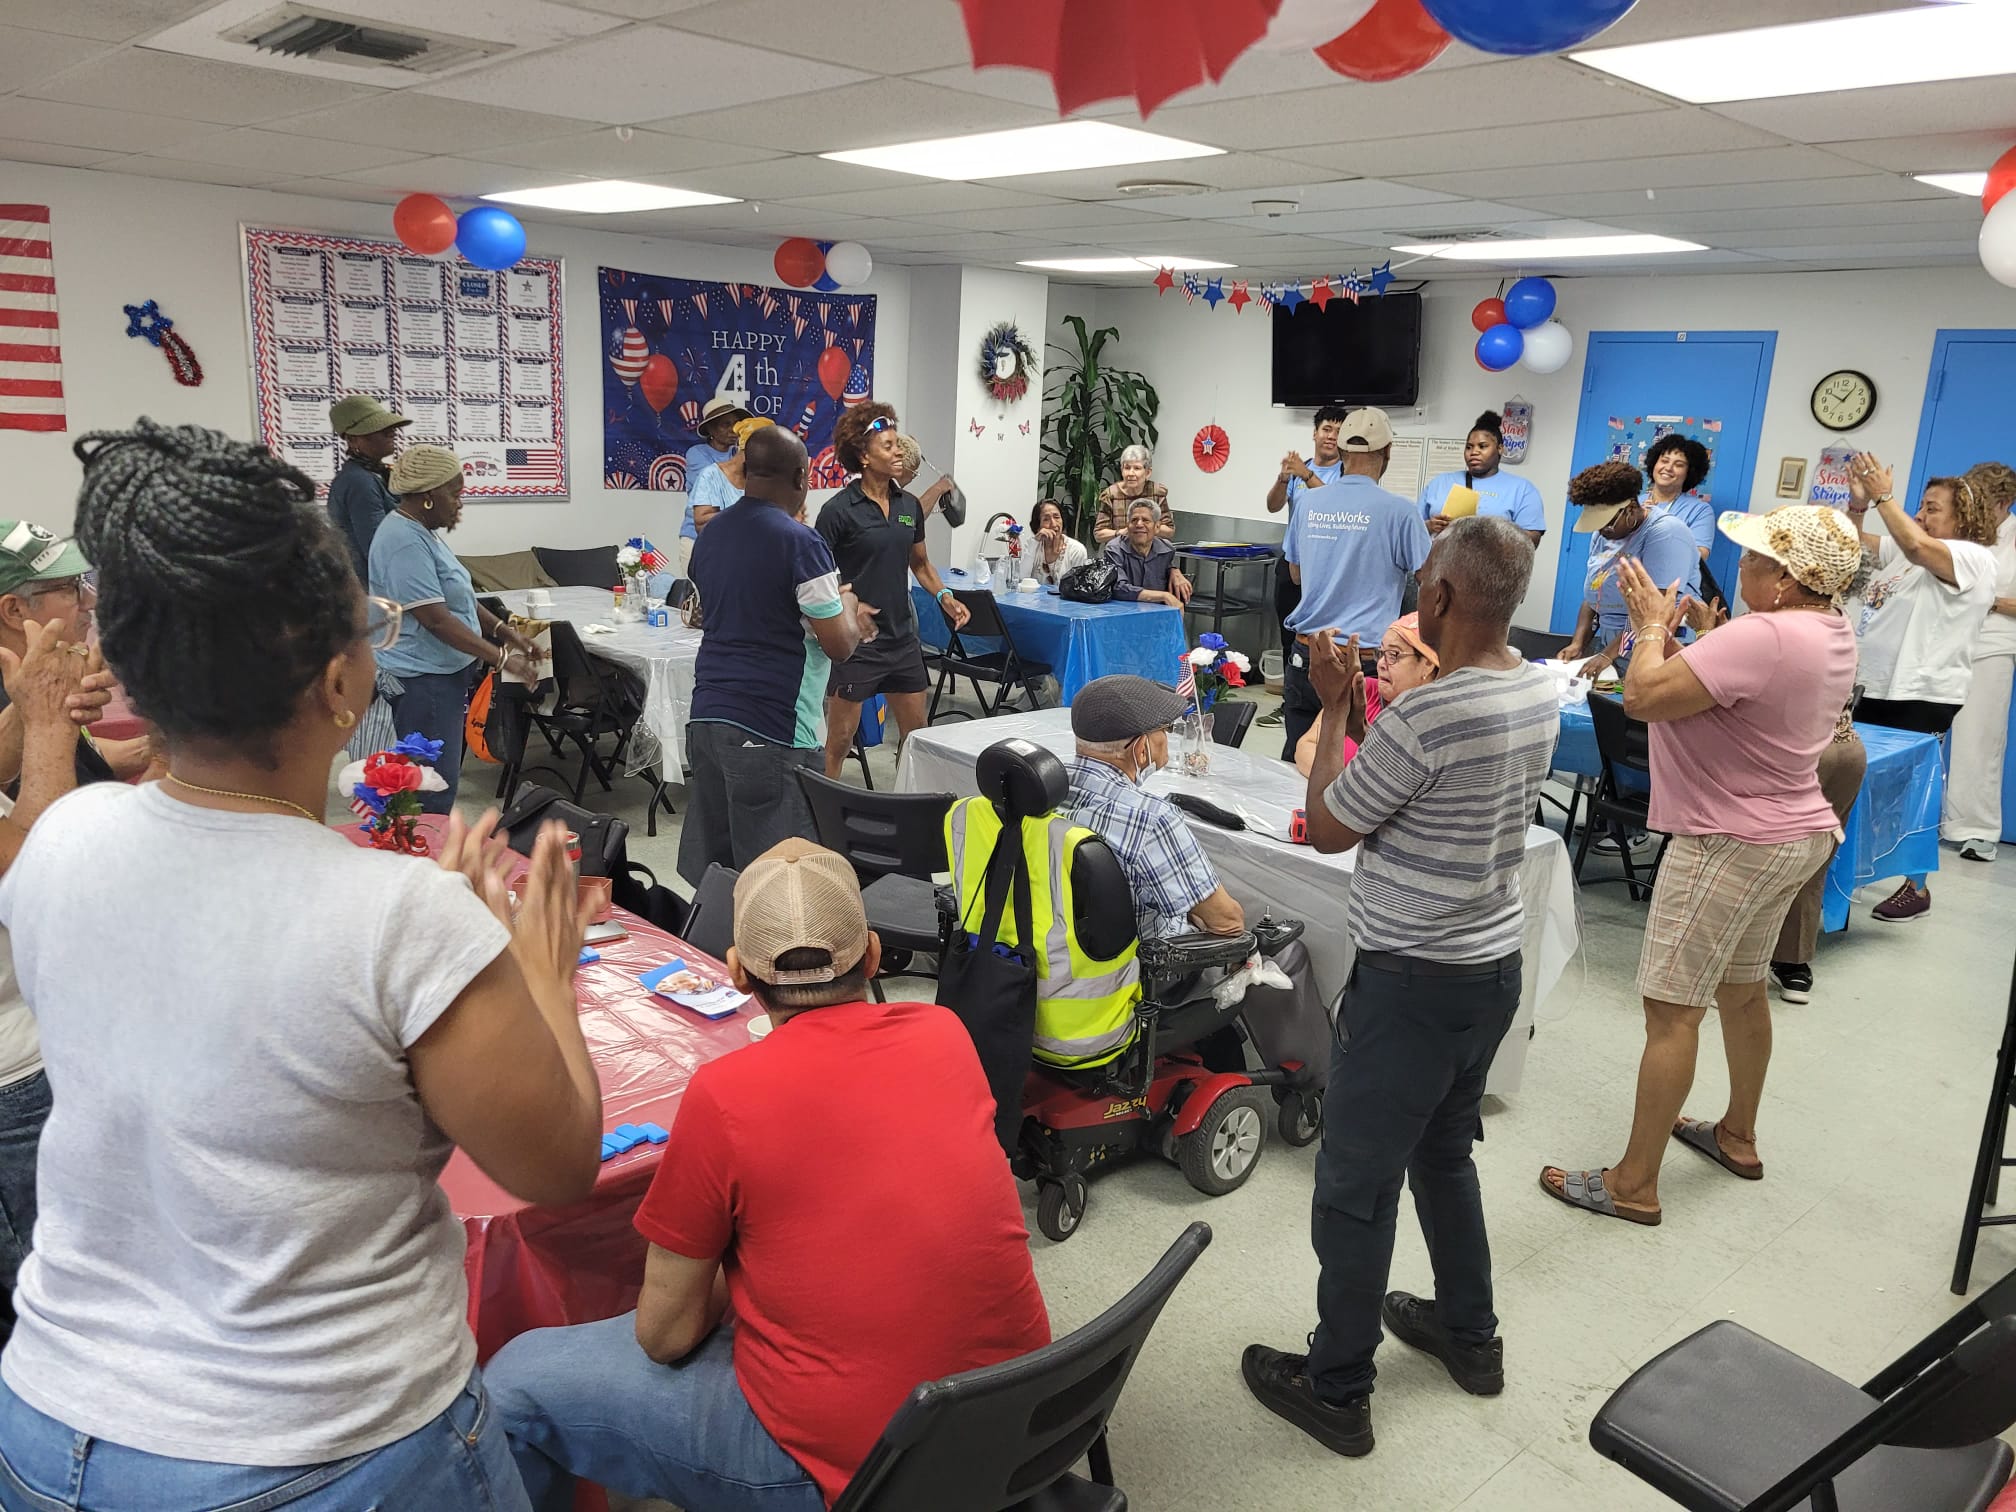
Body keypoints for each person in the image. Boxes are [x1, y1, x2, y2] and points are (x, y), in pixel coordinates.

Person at [0, 418, 603, 1510]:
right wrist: (538, 971)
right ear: (339, 686)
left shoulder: (61, 843)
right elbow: (557, 1170)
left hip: (51, 1434)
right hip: (318, 1450)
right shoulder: (398, 919)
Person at [487, 838, 1051, 1512]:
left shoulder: (726, 1096)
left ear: (736, 973)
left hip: (864, 1479)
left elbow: (663, 1338)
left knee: (514, 1380)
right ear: (873, 956)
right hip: (1017, 1422)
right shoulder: (945, 1034)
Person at [1242, 516, 1555, 1458]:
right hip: (1490, 970)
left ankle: (1336, 1385)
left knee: (1354, 1187)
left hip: (1411, 981)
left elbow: (1331, 827)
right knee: (1445, 1155)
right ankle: (1471, 1337)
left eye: (1424, 579)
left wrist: (1336, 705)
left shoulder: (1426, 715)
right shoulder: (1534, 688)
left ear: (1443, 599)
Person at [1541, 505, 1862, 1226]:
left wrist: (1651, 627)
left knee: (1671, 1012)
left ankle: (1632, 1183)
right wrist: (1707, 641)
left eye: (1754, 559)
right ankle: (1737, 1134)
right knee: (1743, 990)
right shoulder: (1830, 630)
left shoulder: (1766, 633)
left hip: (1728, 841)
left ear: (1786, 579)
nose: (1738, 565)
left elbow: (1646, 698)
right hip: (1792, 834)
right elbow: (1751, 694)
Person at [680, 427, 878, 886]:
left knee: (722, 871)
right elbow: (840, 645)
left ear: (746, 473)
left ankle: (714, 954)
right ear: (801, 477)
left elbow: (726, 608)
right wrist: (846, 606)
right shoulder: (801, 544)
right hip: (773, 728)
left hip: (708, 719)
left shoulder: (711, 535)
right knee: (780, 882)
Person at [0, 616, 108, 1350]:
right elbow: (40, 874)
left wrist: (34, 709)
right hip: (13, 1081)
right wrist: (44, 729)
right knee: (57, 1296)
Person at [1840, 454, 2000, 923]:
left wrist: (1885, 496)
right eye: (1921, 506)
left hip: (1923, 693)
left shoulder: (1974, 557)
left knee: (1909, 792)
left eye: (1932, 508)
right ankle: (1850, 871)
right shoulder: (1909, 554)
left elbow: (1913, 544)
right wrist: (1858, 503)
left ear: (1962, 518)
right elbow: (1857, 548)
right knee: (1859, 784)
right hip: (1877, 686)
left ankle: (1918, 887)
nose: (1920, 515)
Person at [370, 445, 541, 814]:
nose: (459, 503)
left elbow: (458, 597)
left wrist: (505, 631)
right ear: (429, 496)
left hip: (440, 677)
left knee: (435, 781)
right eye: (455, 493)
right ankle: (424, 863)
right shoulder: (402, 540)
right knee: (430, 791)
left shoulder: (421, 532)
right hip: (423, 681)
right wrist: (501, 658)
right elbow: (435, 618)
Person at [816, 402, 968, 779]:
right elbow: (815, 574)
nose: (899, 452)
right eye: (888, 446)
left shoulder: (909, 507)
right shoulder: (838, 511)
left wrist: (944, 596)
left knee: (917, 738)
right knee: (839, 742)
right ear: (864, 457)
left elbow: (919, 564)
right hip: (858, 645)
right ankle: (821, 813)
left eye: (897, 445)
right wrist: (845, 606)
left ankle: (912, 805)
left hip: (902, 640)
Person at [1278, 407, 1432, 762]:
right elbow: (1428, 581)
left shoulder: (1307, 503)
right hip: (1363, 666)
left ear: (1343, 452)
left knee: (1296, 760)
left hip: (1308, 654)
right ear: (1388, 452)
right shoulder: (1401, 512)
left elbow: (1296, 575)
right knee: (1356, 771)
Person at [1064, 674, 1243, 942]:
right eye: (1166, 730)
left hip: (1049, 951)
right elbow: (1228, 923)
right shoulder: (1150, 820)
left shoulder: (1037, 789)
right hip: (1141, 966)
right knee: (1290, 953)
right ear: (1141, 751)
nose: (1167, 738)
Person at [0, 523, 148, 789]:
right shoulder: (15, 696)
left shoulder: (44, 679)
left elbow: (80, 762)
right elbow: (63, 821)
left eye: (85, 582)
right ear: (14, 610)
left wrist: (153, 748)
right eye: (69, 588)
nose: (89, 603)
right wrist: (167, 760)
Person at [1557, 461, 1701, 676]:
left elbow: (1656, 612)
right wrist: (1578, 643)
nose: (1601, 530)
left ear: (1631, 507)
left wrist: (1608, 655)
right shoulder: (1604, 533)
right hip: (1613, 643)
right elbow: (1593, 595)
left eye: (1607, 522)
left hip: (1656, 644)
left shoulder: (1666, 533)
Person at [1767, 695, 1866, 1004]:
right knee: (1810, 862)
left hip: (1795, 750)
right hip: (1844, 745)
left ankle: (1729, 962)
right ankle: (1791, 960)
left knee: (1749, 857)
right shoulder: (1838, 644)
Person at [1943, 459, 2016, 861]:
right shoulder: (1965, 534)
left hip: (1994, 646)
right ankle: (1933, 823)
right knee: (1929, 735)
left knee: (1979, 741)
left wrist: (1990, 600)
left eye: (1983, 500)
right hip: (1949, 641)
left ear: (2004, 502)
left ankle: (1979, 831)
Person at [1263, 405, 1350, 726]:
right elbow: (1273, 506)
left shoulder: (1345, 473)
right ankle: (1290, 700)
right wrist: (1284, 477)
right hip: (1291, 562)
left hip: (1326, 570)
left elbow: (1337, 505)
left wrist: (1306, 475)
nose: (1332, 436)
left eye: (1339, 431)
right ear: (1315, 433)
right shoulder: (1300, 469)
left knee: (1320, 637)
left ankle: (1322, 702)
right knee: (1289, 634)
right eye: (1327, 428)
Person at [1293, 612, 1438, 778]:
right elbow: (1306, 745)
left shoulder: (1432, 719)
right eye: (1381, 653)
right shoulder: (1363, 691)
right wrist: (1341, 786)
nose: (1382, 664)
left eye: (1393, 655)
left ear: (1427, 663)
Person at [1420, 412, 1545, 545]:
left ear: (1500, 449)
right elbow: (1412, 528)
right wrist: (1429, 526)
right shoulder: (1440, 482)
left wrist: (1491, 534)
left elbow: (1532, 539)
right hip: (1440, 562)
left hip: (1493, 564)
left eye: (1482, 446)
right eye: (1469, 447)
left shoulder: (1522, 489)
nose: (1474, 452)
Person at [325, 395, 409, 585]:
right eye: (382, 429)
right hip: (373, 590)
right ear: (354, 440)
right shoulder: (359, 481)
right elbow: (379, 549)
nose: (392, 433)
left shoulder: (374, 474)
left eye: (391, 428)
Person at [685, 415, 776, 560]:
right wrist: (745, 514)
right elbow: (702, 523)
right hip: (713, 556)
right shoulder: (711, 475)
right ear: (750, 450)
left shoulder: (760, 479)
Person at [680, 397, 750, 575]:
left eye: (736, 424)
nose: (733, 429)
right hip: (698, 538)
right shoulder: (697, 454)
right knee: (699, 597)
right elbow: (712, 490)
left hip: (730, 541)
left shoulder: (738, 454)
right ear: (711, 429)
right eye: (725, 424)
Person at [1102, 499, 1193, 608]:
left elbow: (1168, 569)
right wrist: (1163, 596)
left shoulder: (1166, 550)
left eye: (1145, 520)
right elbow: (1118, 588)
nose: (1139, 524)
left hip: (1157, 615)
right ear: (1128, 525)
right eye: (1134, 520)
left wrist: (1174, 571)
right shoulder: (1115, 550)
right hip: (1123, 614)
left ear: (1157, 527)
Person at [1640, 434, 1716, 557]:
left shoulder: (1699, 510)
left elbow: (1700, 556)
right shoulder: (1633, 503)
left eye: (1679, 465)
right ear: (1654, 463)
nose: (1668, 468)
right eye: (1664, 461)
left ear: (1689, 472)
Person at [1093, 444, 1174, 544]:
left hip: (1150, 553)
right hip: (1119, 553)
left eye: (1137, 468)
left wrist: (1145, 528)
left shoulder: (1157, 492)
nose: (1131, 473)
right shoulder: (1110, 495)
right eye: (1127, 468)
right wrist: (1123, 532)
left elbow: (1169, 531)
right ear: (1122, 470)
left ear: (1148, 472)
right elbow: (1099, 534)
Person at [891, 433, 955, 518]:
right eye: (913, 473)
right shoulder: (887, 490)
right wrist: (939, 488)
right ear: (902, 468)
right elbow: (910, 518)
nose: (912, 478)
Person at [1032, 498, 1089, 586]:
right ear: (1038, 526)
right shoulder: (1033, 546)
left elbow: (1078, 587)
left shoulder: (1076, 550)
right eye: (1046, 519)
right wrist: (1034, 543)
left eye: (1057, 517)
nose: (1054, 524)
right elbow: (1021, 578)